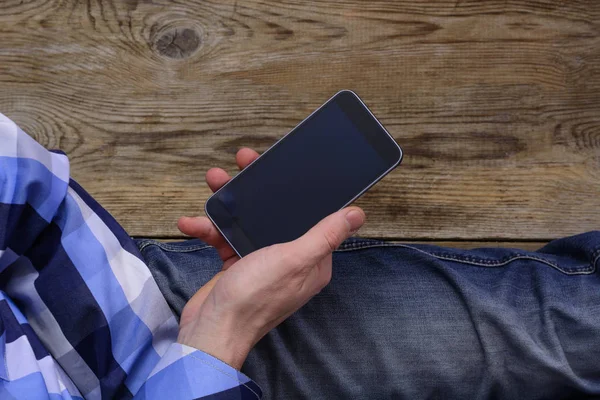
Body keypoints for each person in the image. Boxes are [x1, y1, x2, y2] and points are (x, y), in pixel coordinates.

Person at [0, 112, 599, 400]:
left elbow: (29, 190)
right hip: (201, 350)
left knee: (570, 324)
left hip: (115, 313)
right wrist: (219, 338)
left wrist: (210, 332)